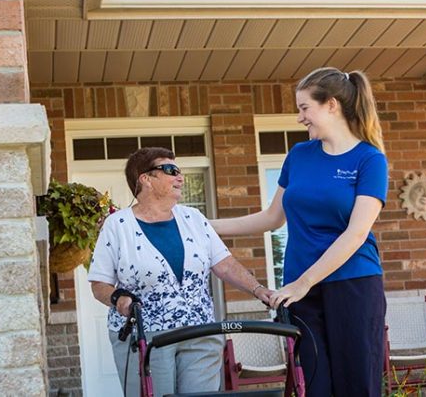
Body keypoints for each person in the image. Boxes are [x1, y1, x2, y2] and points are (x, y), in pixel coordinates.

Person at [211, 67, 389, 396]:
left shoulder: (370, 160)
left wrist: (304, 281)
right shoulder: (299, 155)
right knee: (315, 386)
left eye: (304, 108)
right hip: (301, 294)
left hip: (353, 286)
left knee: (357, 386)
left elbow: (355, 234)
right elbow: (271, 217)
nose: (299, 118)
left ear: (331, 105)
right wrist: (205, 225)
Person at [88, 147, 274, 397]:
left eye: (179, 171)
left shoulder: (194, 218)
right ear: (146, 178)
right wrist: (119, 299)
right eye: (170, 170)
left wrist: (259, 290)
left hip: (200, 330)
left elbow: (225, 264)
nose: (180, 177)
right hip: (146, 335)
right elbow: (99, 283)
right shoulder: (118, 225)